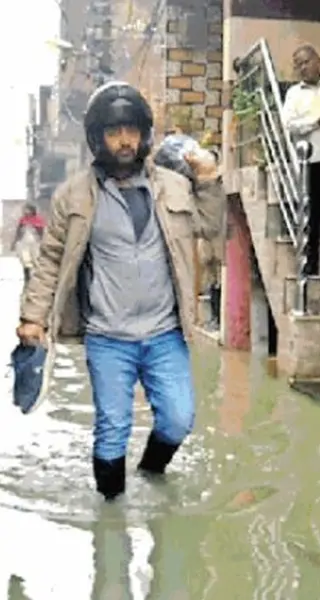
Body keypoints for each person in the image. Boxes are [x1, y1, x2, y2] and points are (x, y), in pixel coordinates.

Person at [16, 81, 225, 501]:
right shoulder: (74, 195)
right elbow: (51, 260)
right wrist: (32, 317)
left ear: (144, 133)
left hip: (166, 333)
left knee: (179, 421)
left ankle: (150, 475)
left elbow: (211, 226)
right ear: (98, 139)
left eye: (131, 130)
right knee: (112, 429)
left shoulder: (174, 186)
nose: (125, 140)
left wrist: (208, 180)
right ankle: (110, 525)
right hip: (108, 337)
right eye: (114, 132)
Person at [281, 44, 320, 274]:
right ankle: (310, 268)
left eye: (306, 61)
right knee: (310, 216)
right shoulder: (294, 94)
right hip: (309, 162)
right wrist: (318, 121)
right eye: (298, 65)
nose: (303, 68)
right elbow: (290, 125)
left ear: (319, 61)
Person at [12, 203, 45, 283]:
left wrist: (43, 241)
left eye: (28, 209)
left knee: (36, 260)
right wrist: (15, 242)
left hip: (35, 243)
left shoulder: (38, 219)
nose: (26, 211)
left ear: (32, 210)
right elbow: (18, 231)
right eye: (25, 210)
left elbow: (41, 231)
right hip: (24, 243)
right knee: (25, 260)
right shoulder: (23, 220)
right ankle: (27, 277)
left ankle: (37, 278)